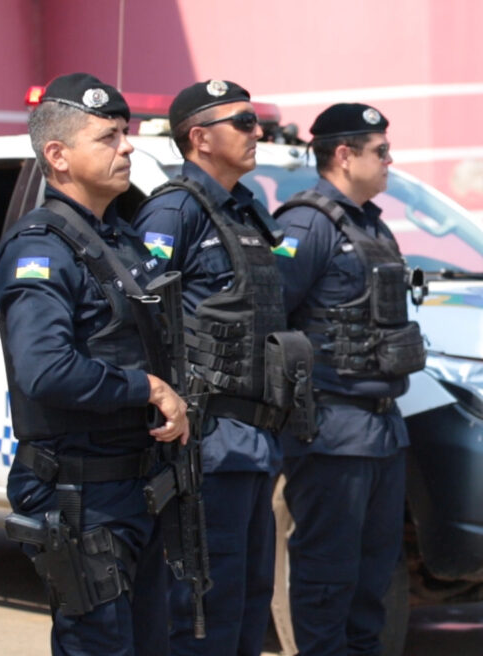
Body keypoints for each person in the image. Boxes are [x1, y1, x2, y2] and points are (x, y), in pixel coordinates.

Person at [0, 72, 190, 656]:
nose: (127, 148)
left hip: (139, 487)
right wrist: (147, 388)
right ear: (58, 155)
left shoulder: (119, 241)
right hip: (82, 495)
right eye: (108, 137)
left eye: (125, 133)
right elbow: (45, 369)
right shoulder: (40, 248)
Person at [132, 80, 294, 656]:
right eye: (243, 122)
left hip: (253, 441)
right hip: (206, 445)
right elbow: (140, 318)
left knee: (248, 608)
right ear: (200, 138)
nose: (257, 132)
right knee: (204, 615)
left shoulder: (247, 211)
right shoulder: (174, 211)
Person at [271, 103, 427, 656]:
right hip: (331, 433)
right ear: (344, 155)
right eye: (380, 151)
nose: (389, 161)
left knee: (373, 582)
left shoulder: (370, 224)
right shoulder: (305, 224)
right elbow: (269, 318)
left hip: (382, 430)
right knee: (326, 579)